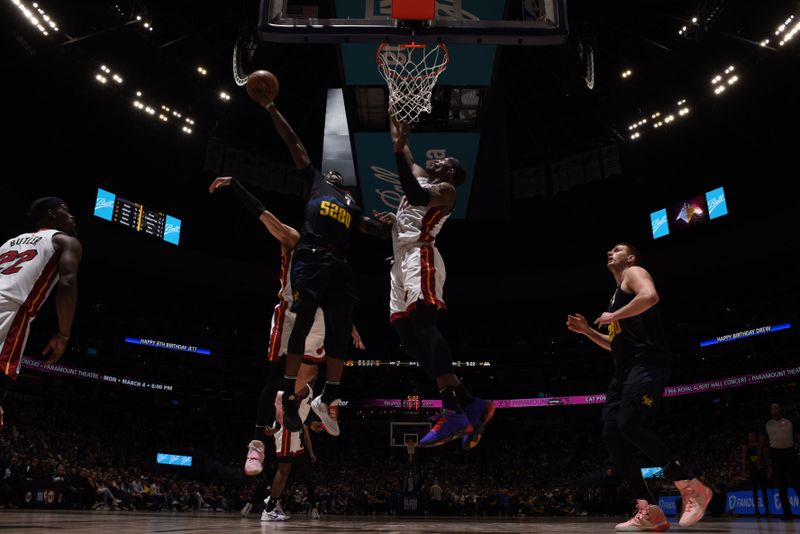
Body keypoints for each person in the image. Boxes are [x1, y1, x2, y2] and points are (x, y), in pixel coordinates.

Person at [208, 177, 364, 475]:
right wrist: (237, 185)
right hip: (290, 315)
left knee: (313, 371)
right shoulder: (294, 238)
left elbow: (332, 295)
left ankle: (295, 402)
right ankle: (256, 442)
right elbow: (262, 213)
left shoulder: (332, 253)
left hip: (316, 316)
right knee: (275, 374)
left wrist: (348, 325)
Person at [253, 96, 388, 436]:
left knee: (341, 329)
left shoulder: (350, 202)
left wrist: (392, 226)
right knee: (304, 320)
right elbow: (293, 143)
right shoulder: (314, 181)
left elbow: (366, 227)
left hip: (338, 263)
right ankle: (285, 395)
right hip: (312, 255)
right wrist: (271, 108)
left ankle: (328, 396)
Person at [566, 243, 712, 530]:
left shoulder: (634, 272)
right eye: (608, 249)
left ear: (630, 257)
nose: (610, 251)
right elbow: (615, 345)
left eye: (617, 249)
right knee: (611, 432)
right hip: (623, 370)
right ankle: (650, 509)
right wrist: (588, 332)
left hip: (648, 363)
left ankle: (691, 486)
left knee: (630, 423)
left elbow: (651, 296)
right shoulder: (614, 298)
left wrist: (614, 316)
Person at [371, 117, 493, 449]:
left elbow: (411, 189)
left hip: (420, 257)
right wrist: (394, 116)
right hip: (398, 263)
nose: (436, 160)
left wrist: (398, 151)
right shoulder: (426, 178)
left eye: (443, 160)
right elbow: (406, 153)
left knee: (424, 324)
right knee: (408, 338)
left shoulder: (446, 191)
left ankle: (453, 409)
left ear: (450, 172)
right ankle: (470, 402)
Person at [0, 197, 82, 431]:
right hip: (10, 311)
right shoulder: (66, 242)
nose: (72, 215)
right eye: (65, 210)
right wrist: (63, 334)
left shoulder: (9, 243)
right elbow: (67, 283)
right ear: (51, 214)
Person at [261, 384, 324, 521]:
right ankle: (269, 508)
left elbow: (298, 413)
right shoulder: (299, 386)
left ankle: (273, 501)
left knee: (293, 469)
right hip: (287, 432)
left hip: (294, 432)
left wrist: (310, 423)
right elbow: (285, 410)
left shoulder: (304, 388)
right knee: (283, 471)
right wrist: (276, 427)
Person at [763, 403, 799, 520]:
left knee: (797, 482)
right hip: (775, 455)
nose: (774, 410)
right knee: (781, 486)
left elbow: (798, 437)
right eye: (772, 408)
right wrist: (761, 458)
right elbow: (762, 443)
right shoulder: (767, 424)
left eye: (776, 407)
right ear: (770, 411)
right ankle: (787, 514)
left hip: (790, 453)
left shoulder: (790, 421)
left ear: (780, 409)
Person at [741, 431, 769, 517]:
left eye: (752, 435)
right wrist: (744, 471)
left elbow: (765, 458)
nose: (751, 437)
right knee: (755, 490)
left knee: (764, 490)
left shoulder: (760, 446)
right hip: (753, 470)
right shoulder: (746, 447)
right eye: (749, 436)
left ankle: (767, 510)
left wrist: (768, 470)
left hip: (761, 469)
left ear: (756, 436)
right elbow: (743, 460)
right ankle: (757, 510)